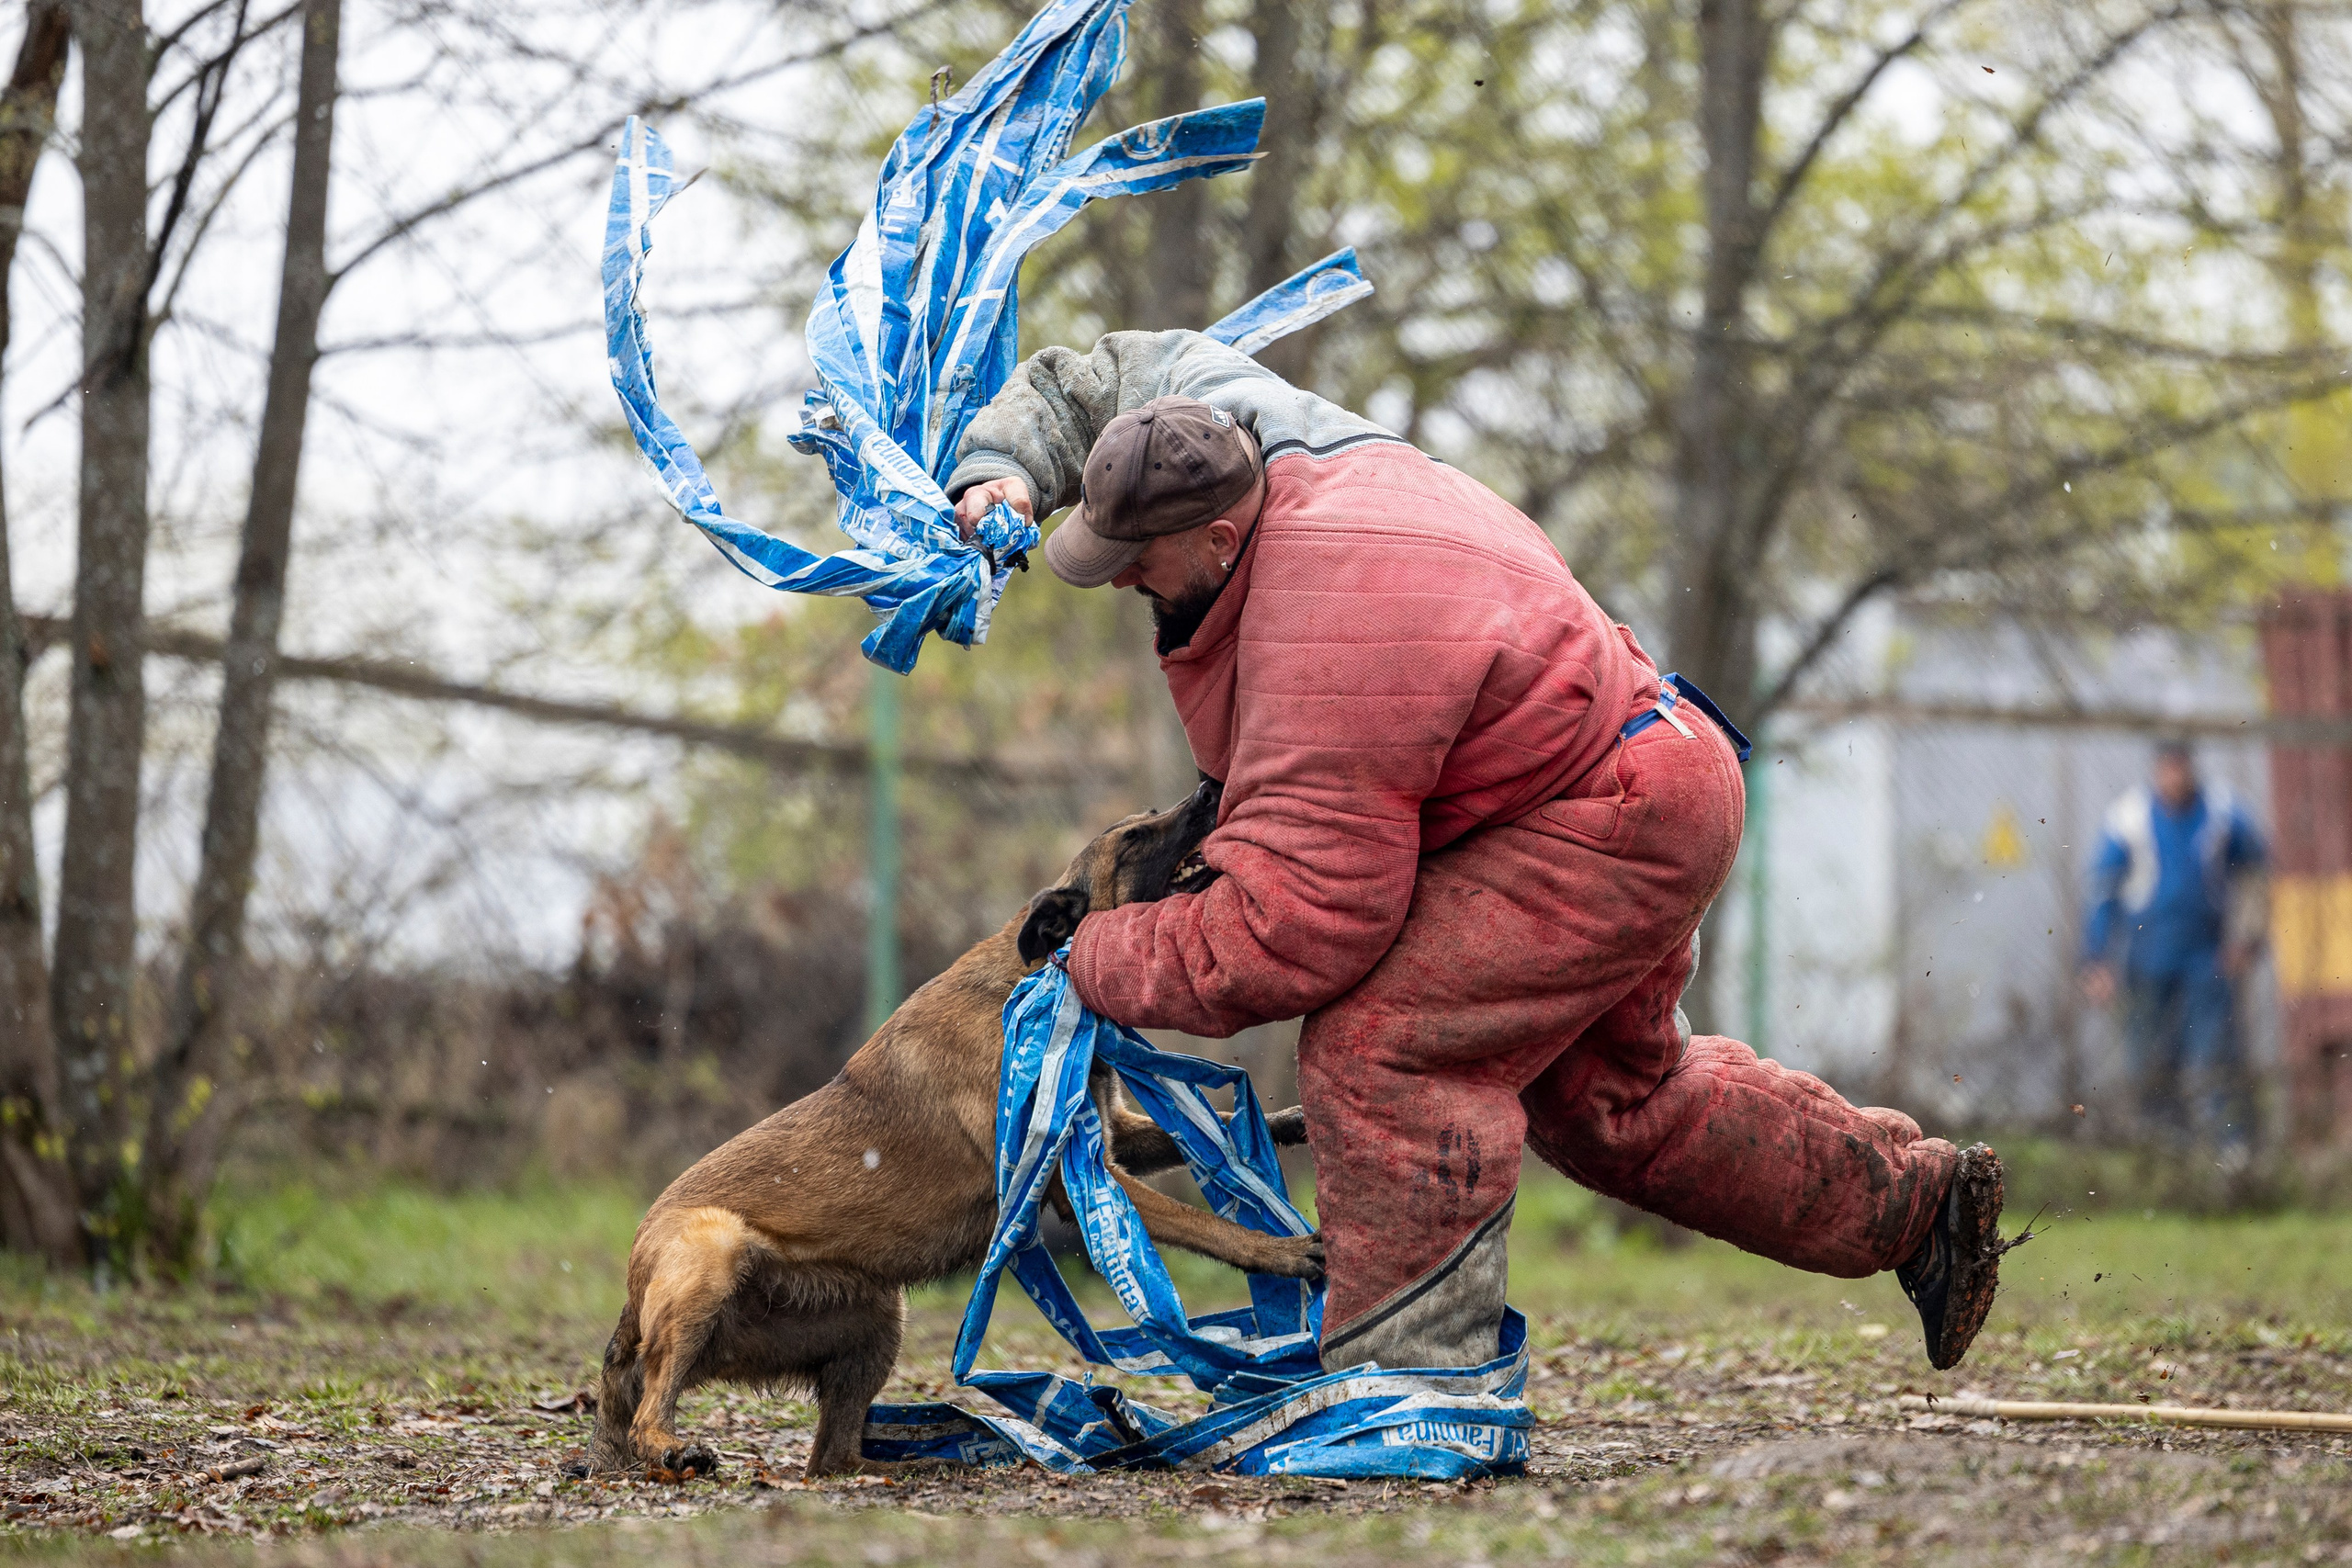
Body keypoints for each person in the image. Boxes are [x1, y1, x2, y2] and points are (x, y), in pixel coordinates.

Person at [948, 330, 2007, 1372]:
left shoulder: (1334, 639)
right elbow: (1122, 379)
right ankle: (1916, 1207)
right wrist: (1004, 472)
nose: (1125, 577)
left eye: (1140, 561)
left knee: (1383, 1048)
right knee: (1612, 1110)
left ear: (1223, 542)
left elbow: (1293, 932)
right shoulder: (1254, 434)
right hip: (1636, 769)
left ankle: (1410, 1381)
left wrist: (1088, 957)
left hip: (1607, 818)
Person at [2080, 741, 2267, 1149]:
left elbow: (2256, 871)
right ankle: (2164, 1150)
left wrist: (2248, 940)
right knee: (2151, 1061)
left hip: (2207, 957)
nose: (2174, 777)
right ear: (2156, 770)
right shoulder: (2129, 818)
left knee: (2216, 1053)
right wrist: (2096, 960)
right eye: (2166, 768)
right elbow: (2102, 890)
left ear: (2191, 768)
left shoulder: (2221, 811)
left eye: (2180, 767)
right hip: (2147, 958)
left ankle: (2231, 1154)